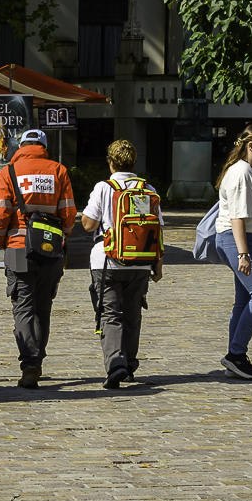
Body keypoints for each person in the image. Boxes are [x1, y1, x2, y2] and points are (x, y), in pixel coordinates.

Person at [0, 127, 77, 389]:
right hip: (51, 248)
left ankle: (29, 364)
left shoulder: (8, 172)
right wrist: (62, 240)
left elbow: (0, 212)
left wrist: (0, 239)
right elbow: (69, 213)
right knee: (43, 308)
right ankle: (36, 359)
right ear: (44, 146)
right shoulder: (59, 170)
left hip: (18, 245)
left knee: (23, 307)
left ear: (20, 146)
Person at [75, 139, 162, 390]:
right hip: (141, 262)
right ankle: (130, 363)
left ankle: (116, 364)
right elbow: (158, 230)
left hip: (107, 260)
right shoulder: (148, 189)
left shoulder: (104, 187)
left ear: (111, 163)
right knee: (133, 315)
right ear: (134, 162)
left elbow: (89, 224)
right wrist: (158, 266)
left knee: (109, 313)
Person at [210, 125, 252, 379]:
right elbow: (238, 217)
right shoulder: (241, 172)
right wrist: (243, 254)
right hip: (240, 241)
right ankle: (235, 355)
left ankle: (235, 359)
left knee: (245, 299)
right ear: (250, 146)